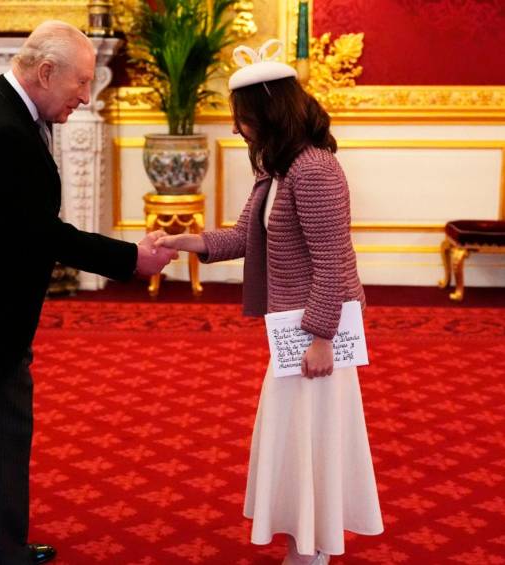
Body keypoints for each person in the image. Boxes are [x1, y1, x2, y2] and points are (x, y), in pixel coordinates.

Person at [0, 21, 176, 565]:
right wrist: (132, 258)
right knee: (0, 432)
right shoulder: (3, 129)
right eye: (81, 83)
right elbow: (41, 232)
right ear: (45, 72)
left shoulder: (2, 109)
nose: (85, 96)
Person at [155, 40, 383, 564]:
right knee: (293, 439)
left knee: (311, 440)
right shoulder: (277, 169)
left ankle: (312, 551)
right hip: (292, 328)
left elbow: (333, 259)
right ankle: (307, 544)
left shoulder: (314, 169)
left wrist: (323, 338)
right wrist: (186, 242)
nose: (235, 129)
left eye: (241, 118)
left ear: (267, 111)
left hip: (315, 332)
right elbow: (244, 236)